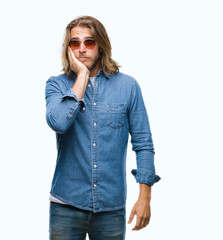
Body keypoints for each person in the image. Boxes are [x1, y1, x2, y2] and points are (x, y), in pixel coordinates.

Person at [45, 16, 160, 240]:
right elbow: (58, 122)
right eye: (74, 43)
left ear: (101, 45)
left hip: (111, 207)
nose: (81, 49)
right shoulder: (57, 85)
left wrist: (144, 197)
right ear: (68, 49)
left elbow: (143, 143)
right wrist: (82, 75)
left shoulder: (128, 87)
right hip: (66, 204)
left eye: (89, 42)